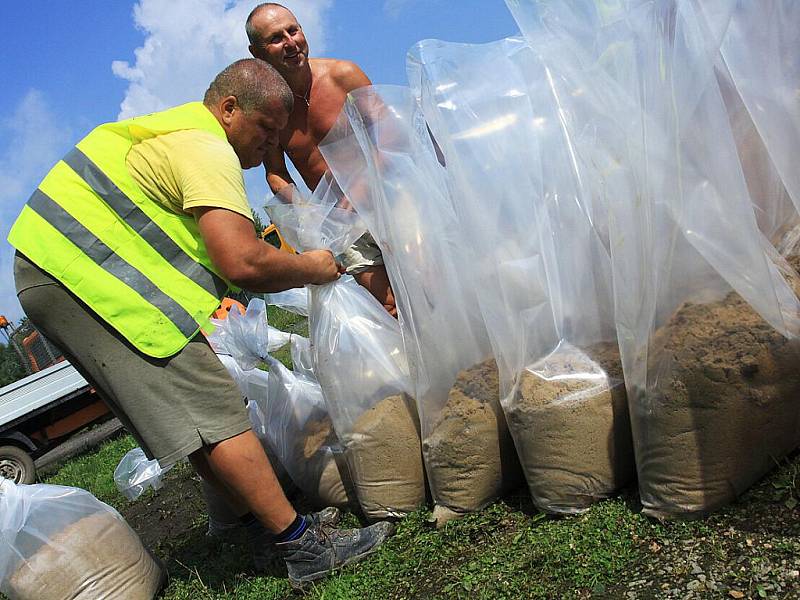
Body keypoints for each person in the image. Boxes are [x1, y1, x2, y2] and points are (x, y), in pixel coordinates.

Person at [7, 58, 393, 589]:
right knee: (214, 407)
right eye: (265, 131)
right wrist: (316, 268)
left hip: (60, 274)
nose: (267, 150)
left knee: (197, 416)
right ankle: (302, 547)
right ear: (229, 110)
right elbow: (244, 261)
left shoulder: (180, 134)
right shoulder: (207, 148)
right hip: (85, 280)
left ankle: (263, 528)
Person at [246, 2, 398, 316]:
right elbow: (276, 173)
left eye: (293, 30)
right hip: (344, 228)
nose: (290, 42)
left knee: (431, 289)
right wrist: (306, 217)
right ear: (257, 52)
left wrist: (359, 186)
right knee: (390, 308)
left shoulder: (343, 75)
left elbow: (392, 136)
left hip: (392, 203)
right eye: (276, 38)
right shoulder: (271, 111)